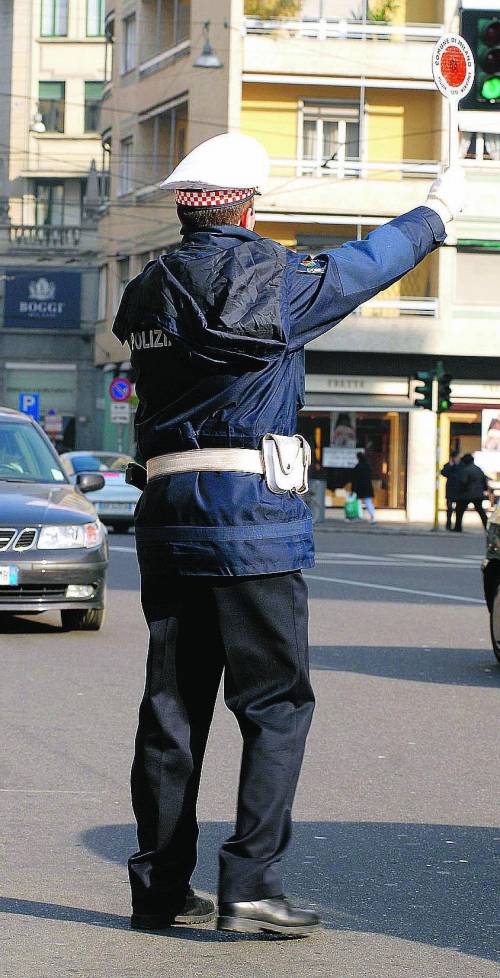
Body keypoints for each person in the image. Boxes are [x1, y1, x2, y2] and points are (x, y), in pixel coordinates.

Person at [112, 131, 464, 936]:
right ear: (246, 204)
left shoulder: (147, 290)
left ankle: (160, 888)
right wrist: (436, 210)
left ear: (183, 205)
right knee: (274, 706)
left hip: (167, 520)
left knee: (171, 711)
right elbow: (367, 263)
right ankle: (250, 888)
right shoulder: (276, 280)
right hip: (252, 527)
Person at [454, 453, 490, 532]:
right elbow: (484, 481)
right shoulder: (478, 469)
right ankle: (487, 528)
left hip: (466, 495)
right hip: (478, 494)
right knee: (481, 512)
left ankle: (458, 528)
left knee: (459, 511)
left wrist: (459, 492)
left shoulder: (466, 470)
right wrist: (484, 490)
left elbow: (463, 482)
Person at [351, 451, 376, 524]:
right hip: (368, 486)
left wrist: (353, 489)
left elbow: (355, 479)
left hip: (360, 487)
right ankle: (372, 516)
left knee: (358, 502)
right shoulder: (368, 465)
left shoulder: (358, 466)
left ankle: (359, 516)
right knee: (368, 502)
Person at [440, 449, 462, 531]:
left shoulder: (461, 466)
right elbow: (443, 473)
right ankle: (448, 524)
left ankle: (457, 526)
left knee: (458, 509)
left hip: (458, 489)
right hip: (450, 489)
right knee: (449, 509)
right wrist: (451, 465)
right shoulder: (448, 465)